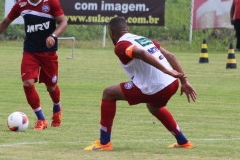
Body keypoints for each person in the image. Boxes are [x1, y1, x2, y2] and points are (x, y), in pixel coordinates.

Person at [84, 17, 197, 151]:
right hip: (172, 84)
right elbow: (171, 56)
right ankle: (183, 142)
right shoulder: (141, 38)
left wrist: (165, 70)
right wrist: (184, 81)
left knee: (108, 93)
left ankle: (104, 143)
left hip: (157, 87)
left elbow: (141, 53)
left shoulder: (121, 45)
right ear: (127, 29)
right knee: (154, 107)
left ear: (111, 32)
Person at [0, 0, 68, 130]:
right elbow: (5, 22)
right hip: (30, 51)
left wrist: (53, 36)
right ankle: (41, 119)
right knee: (27, 82)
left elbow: (63, 22)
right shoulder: (21, 5)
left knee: (51, 87)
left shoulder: (51, 1)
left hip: (48, 52)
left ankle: (57, 108)